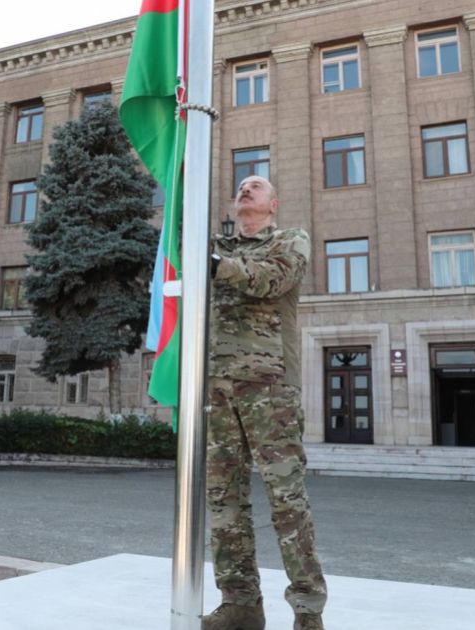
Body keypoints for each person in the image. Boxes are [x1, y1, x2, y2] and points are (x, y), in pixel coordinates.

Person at [203, 175, 327, 630]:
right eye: (241, 185)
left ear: (273, 204)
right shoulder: (211, 244)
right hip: (216, 388)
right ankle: (240, 605)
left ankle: (308, 612)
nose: (246, 188)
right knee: (223, 502)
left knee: (287, 499)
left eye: (256, 185)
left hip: (269, 387)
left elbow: (274, 279)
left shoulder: (290, 240)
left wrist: (218, 264)